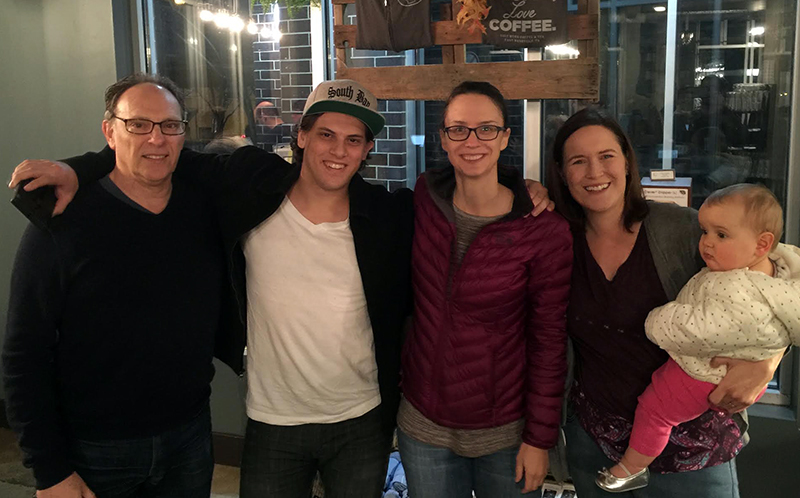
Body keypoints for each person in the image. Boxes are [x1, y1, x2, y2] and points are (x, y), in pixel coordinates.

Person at [9, 77, 554, 498]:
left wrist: (519, 186)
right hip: (272, 419)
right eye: (325, 135)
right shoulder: (249, 185)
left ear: (367, 150)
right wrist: (81, 166)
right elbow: (157, 153)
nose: (338, 151)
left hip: (361, 420)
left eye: (354, 140)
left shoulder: (389, 214)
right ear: (300, 134)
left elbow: (462, 192)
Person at [3, 74, 223, 497]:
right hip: (96, 448)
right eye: (138, 124)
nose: (156, 139)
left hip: (190, 435)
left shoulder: (203, 206)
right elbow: (23, 353)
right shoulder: (62, 222)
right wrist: (49, 471)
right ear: (110, 131)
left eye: (170, 125)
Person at [546, 108, 784, 498]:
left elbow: (774, 282)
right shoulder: (557, 241)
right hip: (595, 441)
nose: (594, 171)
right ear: (562, 172)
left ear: (626, 161)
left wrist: (766, 362)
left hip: (692, 446)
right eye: (578, 161)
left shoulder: (683, 229)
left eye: (606, 156)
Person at [397, 81, 573, 498]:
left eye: (486, 129)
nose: (472, 140)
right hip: (423, 426)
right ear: (442, 137)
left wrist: (539, 439)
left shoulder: (543, 230)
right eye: (458, 129)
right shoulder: (424, 197)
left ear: (506, 137)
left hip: (506, 436)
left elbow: (549, 343)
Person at [596, 183, 800, 492]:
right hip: (715, 373)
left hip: (705, 373)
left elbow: (697, 330)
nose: (705, 243)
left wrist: (657, 320)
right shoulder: (774, 274)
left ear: (762, 245)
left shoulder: (738, 290)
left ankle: (632, 468)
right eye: (704, 231)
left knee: (654, 411)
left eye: (721, 235)